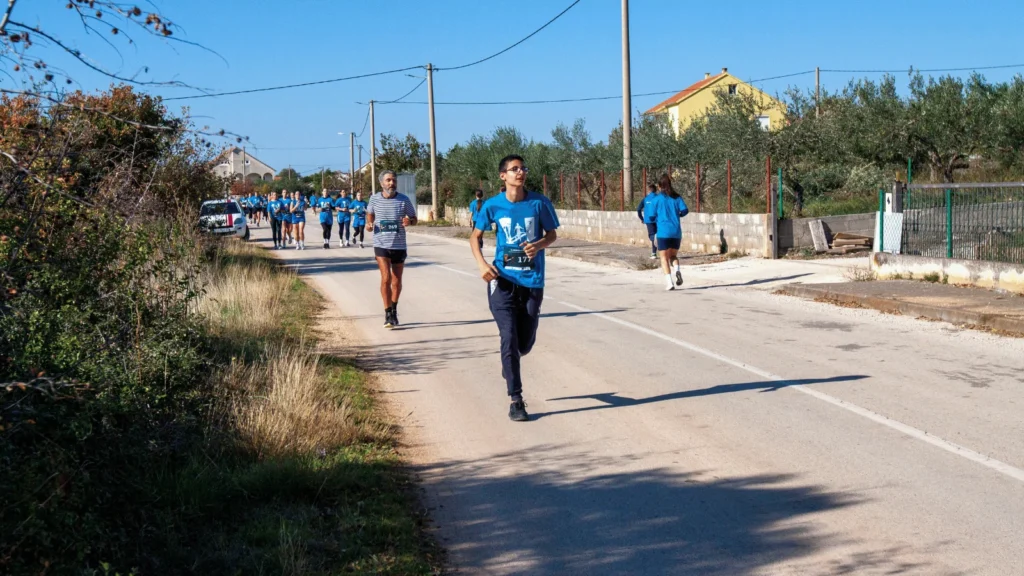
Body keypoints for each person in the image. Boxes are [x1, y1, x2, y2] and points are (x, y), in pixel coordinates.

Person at [470, 155, 559, 422]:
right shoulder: (492, 206)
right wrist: (482, 264)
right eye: (514, 169)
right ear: (503, 176)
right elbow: (475, 237)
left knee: (524, 344)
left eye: (523, 169)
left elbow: (552, 234)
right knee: (508, 337)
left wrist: (539, 245)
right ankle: (516, 399)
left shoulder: (539, 203)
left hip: (532, 281)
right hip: (502, 280)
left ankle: (510, 364)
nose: (520, 173)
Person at [366, 170, 417, 329]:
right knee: (386, 278)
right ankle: (387, 312)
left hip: (399, 245)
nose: (391, 183)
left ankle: (394, 309)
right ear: (381, 183)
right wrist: (369, 224)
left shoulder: (404, 200)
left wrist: (410, 221)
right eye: (388, 180)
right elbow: (370, 214)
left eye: (393, 180)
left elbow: (414, 219)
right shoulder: (374, 199)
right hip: (381, 244)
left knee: (396, 280)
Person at [648, 174, 689, 290]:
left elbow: (651, 216)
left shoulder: (656, 199)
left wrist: (657, 217)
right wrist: (677, 214)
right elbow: (685, 211)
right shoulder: (677, 197)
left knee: (664, 259)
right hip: (676, 232)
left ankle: (669, 283)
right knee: (673, 256)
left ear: (659, 186)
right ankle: (677, 270)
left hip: (663, 233)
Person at [637, 183, 659, 259]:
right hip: (659, 220)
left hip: (649, 220)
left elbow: (638, 209)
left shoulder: (645, 199)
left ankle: (653, 253)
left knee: (652, 236)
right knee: (659, 235)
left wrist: (641, 218)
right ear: (656, 190)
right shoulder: (659, 198)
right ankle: (662, 252)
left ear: (648, 191)